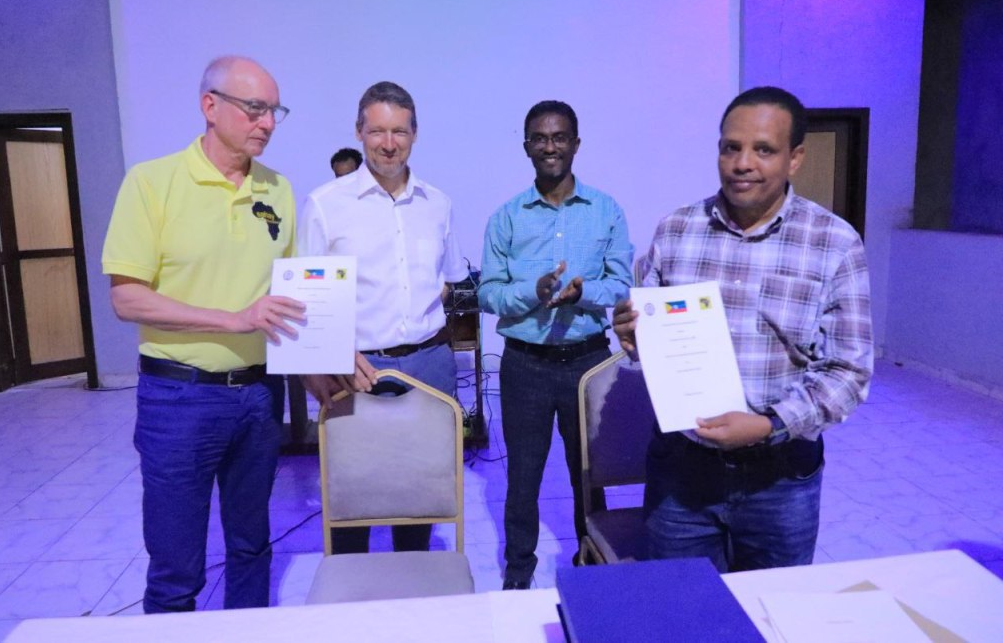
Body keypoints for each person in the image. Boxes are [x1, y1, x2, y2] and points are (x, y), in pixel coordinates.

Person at [613, 86, 873, 573]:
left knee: (772, 606)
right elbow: (646, 339)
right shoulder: (676, 230)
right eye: (730, 147)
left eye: (763, 150)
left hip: (781, 478)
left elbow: (848, 372)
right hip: (681, 472)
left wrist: (770, 426)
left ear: (795, 158)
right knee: (683, 605)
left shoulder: (835, 243)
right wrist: (632, 334)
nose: (742, 163)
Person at [102, 56, 304, 612]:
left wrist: (323, 366)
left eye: (275, 110)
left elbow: (291, 294)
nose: (267, 122)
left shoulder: (278, 189)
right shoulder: (152, 182)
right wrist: (233, 319)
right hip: (179, 398)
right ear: (209, 105)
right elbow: (126, 297)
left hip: (259, 396)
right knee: (176, 565)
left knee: (252, 546)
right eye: (255, 108)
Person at [299, 81, 467, 553]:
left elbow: (450, 279)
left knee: (421, 498)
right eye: (377, 131)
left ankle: (414, 586)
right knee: (353, 501)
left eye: (399, 132)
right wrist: (327, 358)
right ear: (359, 132)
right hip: (356, 370)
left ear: (415, 134)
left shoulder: (438, 204)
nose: (388, 143)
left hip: (429, 366)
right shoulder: (325, 205)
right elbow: (305, 300)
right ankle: (353, 592)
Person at [478, 100, 633, 589]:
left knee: (589, 474)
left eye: (560, 137)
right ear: (527, 147)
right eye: (540, 138)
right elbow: (488, 293)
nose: (550, 147)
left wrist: (583, 292)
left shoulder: (606, 210)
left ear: (576, 144)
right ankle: (517, 574)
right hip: (524, 366)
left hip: (589, 363)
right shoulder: (506, 218)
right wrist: (534, 291)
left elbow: (622, 285)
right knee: (522, 478)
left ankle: (594, 569)